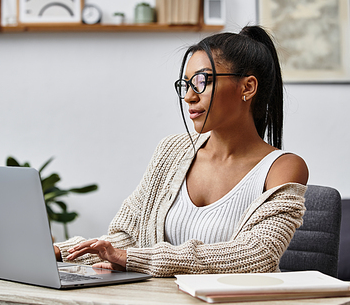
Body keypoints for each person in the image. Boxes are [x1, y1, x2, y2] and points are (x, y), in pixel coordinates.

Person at [54, 25, 308, 277]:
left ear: (247, 87)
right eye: (185, 85)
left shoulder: (283, 167)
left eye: (201, 82)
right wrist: (59, 252)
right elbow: (127, 238)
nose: (188, 97)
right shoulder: (172, 151)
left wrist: (132, 259)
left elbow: (257, 255)